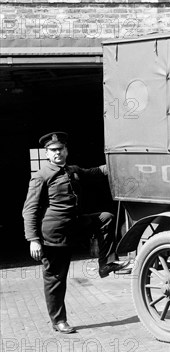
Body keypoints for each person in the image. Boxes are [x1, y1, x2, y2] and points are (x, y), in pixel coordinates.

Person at [22, 132, 130, 334]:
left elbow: (95, 171)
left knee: (106, 218)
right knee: (55, 278)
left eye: (60, 149)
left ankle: (105, 263)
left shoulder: (72, 170)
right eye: (53, 150)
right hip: (54, 234)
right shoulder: (41, 176)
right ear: (46, 154)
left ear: (66, 150)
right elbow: (29, 210)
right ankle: (59, 320)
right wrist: (33, 240)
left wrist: (119, 164)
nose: (57, 153)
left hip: (76, 225)